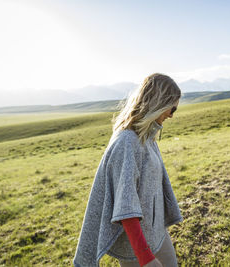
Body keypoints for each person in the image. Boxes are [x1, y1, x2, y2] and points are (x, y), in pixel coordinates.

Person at [73, 73, 184, 267]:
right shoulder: (127, 142)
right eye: (171, 108)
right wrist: (145, 257)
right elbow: (125, 206)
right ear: (158, 102)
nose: (172, 115)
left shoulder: (147, 136)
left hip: (156, 232)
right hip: (136, 246)